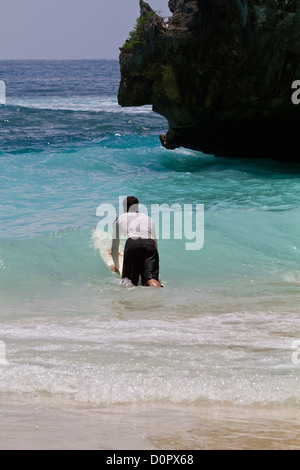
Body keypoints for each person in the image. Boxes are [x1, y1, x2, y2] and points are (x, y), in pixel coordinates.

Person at [111, 196, 162, 287]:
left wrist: (116, 267)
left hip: (132, 244)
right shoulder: (148, 218)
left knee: (129, 282)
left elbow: (115, 247)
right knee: (151, 279)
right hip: (150, 245)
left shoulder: (120, 218)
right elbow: (155, 244)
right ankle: (157, 289)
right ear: (137, 207)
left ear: (124, 207)